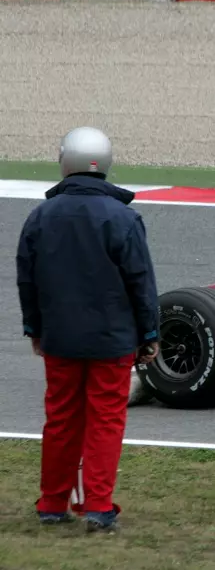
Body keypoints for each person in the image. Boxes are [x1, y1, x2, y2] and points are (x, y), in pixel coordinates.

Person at [16, 126, 161, 532]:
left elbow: (27, 280)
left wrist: (35, 330)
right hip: (112, 340)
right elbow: (141, 282)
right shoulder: (124, 217)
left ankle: (51, 502)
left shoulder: (40, 216)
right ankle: (97, 505)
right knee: (105, 420)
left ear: (65, 161)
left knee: (60, 418)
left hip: (60, 337)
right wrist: (149, 334)